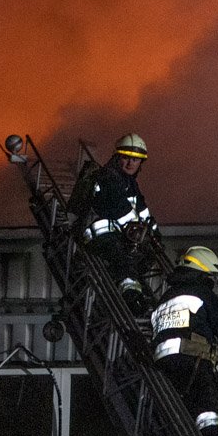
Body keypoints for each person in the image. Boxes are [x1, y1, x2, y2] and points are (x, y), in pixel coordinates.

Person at [150, 246, 218, 436]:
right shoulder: (201, 292)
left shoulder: (164, 299)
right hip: (190, 356)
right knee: (207, 398)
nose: (213, 282)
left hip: (162, 363)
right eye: (212, 276)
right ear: (203, 273)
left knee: (187, 401)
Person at [68, 133, 158, 313]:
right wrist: (142, 232)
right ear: (117, 157)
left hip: (120, 235)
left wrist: (154, 232)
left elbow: (141, 210)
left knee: (148, 255)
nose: (130, 163)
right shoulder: (108, 178)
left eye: (136, 160)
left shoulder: (130, 183)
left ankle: (132, 289)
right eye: (126, 158)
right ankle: (131, 299)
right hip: (98, 236)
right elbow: (122, 210)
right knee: (122, 259)